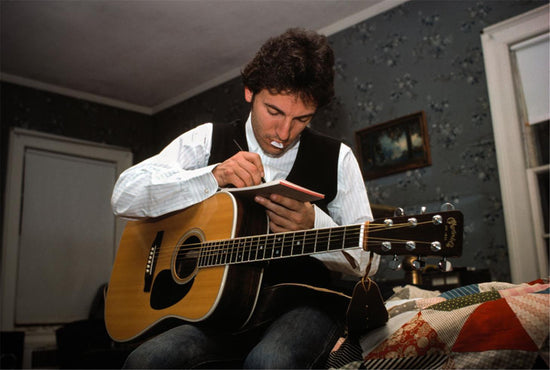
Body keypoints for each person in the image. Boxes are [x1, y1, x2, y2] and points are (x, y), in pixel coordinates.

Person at [111, 27, 378, 369]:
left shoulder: (339, 158)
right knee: (145, 361)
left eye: (302, 119)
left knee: (269, 361)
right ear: (250, 91)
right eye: (275, 112)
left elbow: (371, 262)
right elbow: (124, 195)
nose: (284, 133)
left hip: (302, 308)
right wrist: (212, 176)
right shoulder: (207, 140)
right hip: (223, 312)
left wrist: (314, 227)